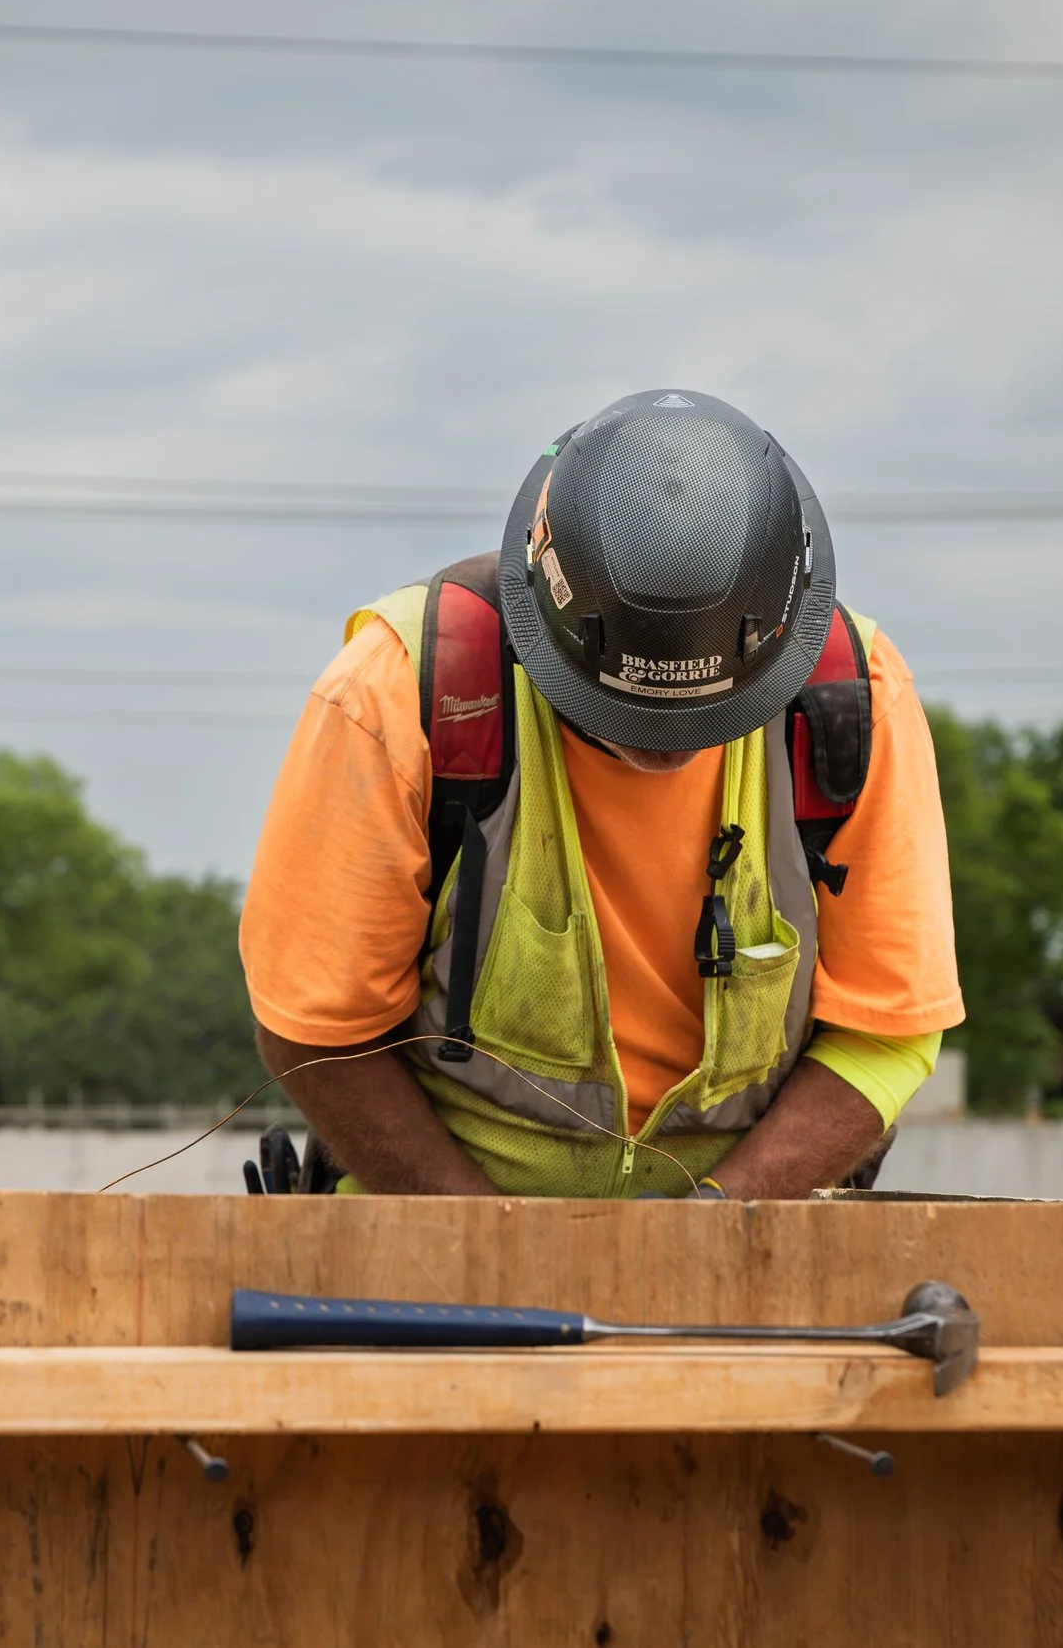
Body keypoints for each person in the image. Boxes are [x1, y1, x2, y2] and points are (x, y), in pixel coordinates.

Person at [240, 389, 964, 1200]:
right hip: (435, 1250)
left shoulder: (850, 697)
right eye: (620, 713)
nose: (662, 746)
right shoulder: (402, 690)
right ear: (543, 616)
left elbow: (887, 1029)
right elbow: (318, 1031)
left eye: (704, 719)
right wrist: (480, 1248)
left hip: (748, 1239)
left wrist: (714, 1228)